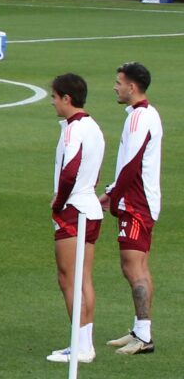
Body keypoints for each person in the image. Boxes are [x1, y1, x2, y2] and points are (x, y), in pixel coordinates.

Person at [101, 62, 162, 356]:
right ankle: (140, 330)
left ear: (132, 87)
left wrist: (115, 197)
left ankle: (145, 337)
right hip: (141, 200)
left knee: (131, 266)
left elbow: (131, 163)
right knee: (140, 267)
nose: (115, 86)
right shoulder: (145, 115)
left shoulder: (139, 118)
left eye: (118, 82)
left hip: (136, 204)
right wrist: (112, 192)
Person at [46, 73, 105, 363]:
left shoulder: (73, 130)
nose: (53, 102)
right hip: (91, 207)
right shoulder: (94, 127)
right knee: (83, 279)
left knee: (68, 278)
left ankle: (80, 346)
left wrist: (58, 202)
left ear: (67, 98)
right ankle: (85, 344)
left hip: (74, 210)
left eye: (55, 97)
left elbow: (69, 171)